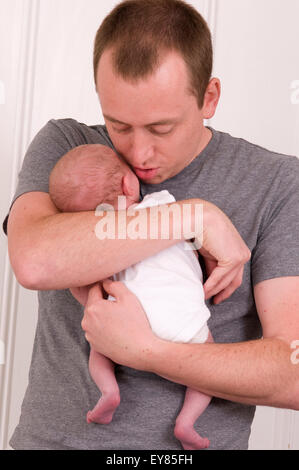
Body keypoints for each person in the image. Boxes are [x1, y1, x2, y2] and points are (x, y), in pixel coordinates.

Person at [4, 0, 298, 450]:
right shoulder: (70, 147)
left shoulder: (277, 183)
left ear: (210, 98)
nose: (138, 154)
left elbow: (292, 374)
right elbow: (34, 260)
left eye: (161, 129)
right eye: (118, 125)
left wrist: (148, 351)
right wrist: (192, 215)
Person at [49, 143, 213, 450]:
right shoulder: (162, 204)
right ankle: (186, 422)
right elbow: (197, 228)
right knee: (208, 359)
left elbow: (83, 277)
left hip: (124, 321)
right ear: (129, 183)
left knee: (98, 343)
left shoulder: (101, 236)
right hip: (182, 320)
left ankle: (109, 391)